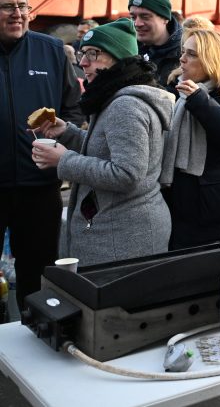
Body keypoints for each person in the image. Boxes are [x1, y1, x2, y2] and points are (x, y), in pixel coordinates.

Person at [32, 18, 174, 267]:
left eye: (93, 54)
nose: (82, 62)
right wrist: (69, 133)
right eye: (82, 53)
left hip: (124, 238)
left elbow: (127, 174)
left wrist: (64, 160)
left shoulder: (125, 105)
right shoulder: (116, 97)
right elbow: (108, 148)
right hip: (118, 232)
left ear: (118, 59)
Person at [0, 0, 83, 310]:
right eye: (7, 7)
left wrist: (63, 135)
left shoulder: (51, 50)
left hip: (39, 189)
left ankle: (33, 334)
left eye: (23, 6)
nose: (17, 14)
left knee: (37, 279)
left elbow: (73, 108)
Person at [161, 29, 220, 249]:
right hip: (172, 206)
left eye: (191, 54)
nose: (182, 59)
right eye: (183, 52)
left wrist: (199, 100)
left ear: (211, 60)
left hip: (216, 212)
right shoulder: (173, 89)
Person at [129, 0, 183, 88]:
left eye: (145, 17)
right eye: (133, 17)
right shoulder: (130, 51)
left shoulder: (185, 55)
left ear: (165, 19)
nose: (137, 23)